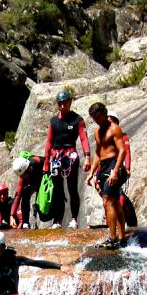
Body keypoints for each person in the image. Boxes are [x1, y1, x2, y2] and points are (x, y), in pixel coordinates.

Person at [42, 90, 91, 229]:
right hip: (56, 156)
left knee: (72, 189)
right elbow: (49, 142)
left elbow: (83, 138)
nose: (63, 106)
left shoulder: (77, 120)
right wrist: (46, 162)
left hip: (71, 155)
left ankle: (74, 219)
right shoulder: (53, 121)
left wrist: (87, 156)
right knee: (57, 190)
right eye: (60, 103)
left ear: (70, 102)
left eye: (65, 103)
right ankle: (58, 220)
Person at [87, 102, 129, 249]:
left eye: (98, 117)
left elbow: (122, 151)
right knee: (115, 202)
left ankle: (112, 238)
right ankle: (122, 237)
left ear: (105, 114)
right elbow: (98, 153)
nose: (97, 120)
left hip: (113, 165)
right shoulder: (97, 132)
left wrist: (116, 170)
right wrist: (91, 173)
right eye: (94, 118)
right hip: (103, 166)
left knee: (107, 201)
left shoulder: (114, 129)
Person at [107, 111, 137, 228]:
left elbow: (127, 152)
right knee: (108, 198)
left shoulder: (122, 136)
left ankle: (125, 222)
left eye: (112, 121)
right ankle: (112, 224)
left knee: (117, 195)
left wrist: (128, 168)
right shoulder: (103, 136)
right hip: (106, 170)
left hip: (117, 169)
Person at [9, 151, 44, 229]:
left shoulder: (36, 161)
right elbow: (18, 196)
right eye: (22, 176)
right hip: (34, 182)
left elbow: (47, 161)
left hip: (41, 179)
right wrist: (12, 215)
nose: (23, 177)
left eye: (24, 175)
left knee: (43, 213)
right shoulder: (23, 177)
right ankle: (25, 223)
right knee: (24, 191)